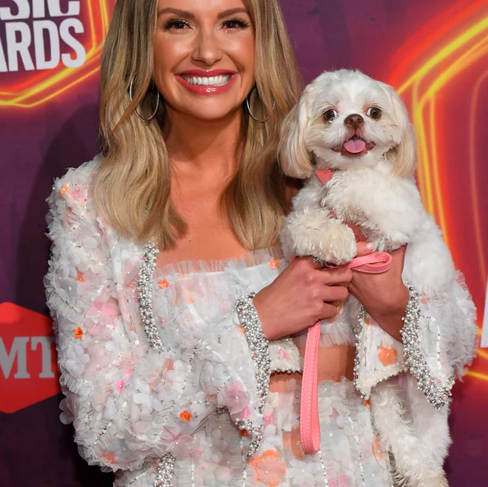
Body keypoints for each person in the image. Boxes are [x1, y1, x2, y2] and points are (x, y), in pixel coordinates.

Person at [44, 0, 477, 486]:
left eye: (232, 23)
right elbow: (104, 433)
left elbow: (457, 347)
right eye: (178, 24)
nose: (208, 51)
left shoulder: (325, 166)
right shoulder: (91, 202)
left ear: (260, 40)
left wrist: (393, 303)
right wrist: (254, 322)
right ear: (140, 42)